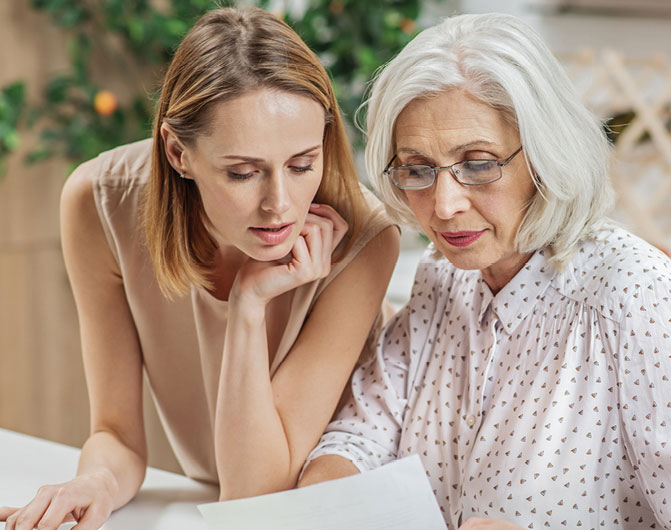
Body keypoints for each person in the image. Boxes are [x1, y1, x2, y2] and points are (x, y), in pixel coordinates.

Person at [298, 13, 671, 530]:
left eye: (478, 163)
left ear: (543, 154)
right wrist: (321, 503)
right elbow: (362, 434)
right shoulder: (440, 276)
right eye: (417, 169)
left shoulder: (633, 290)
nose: (444, 205)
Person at [0, 6, 399, 530]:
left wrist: (250, 305)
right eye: (242, 173)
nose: (280, 203)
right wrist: (94, 482)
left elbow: (256, 496)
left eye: (303, 164)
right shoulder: (100, 206)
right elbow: (117, 435)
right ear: (177, 151)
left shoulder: (363, 240)